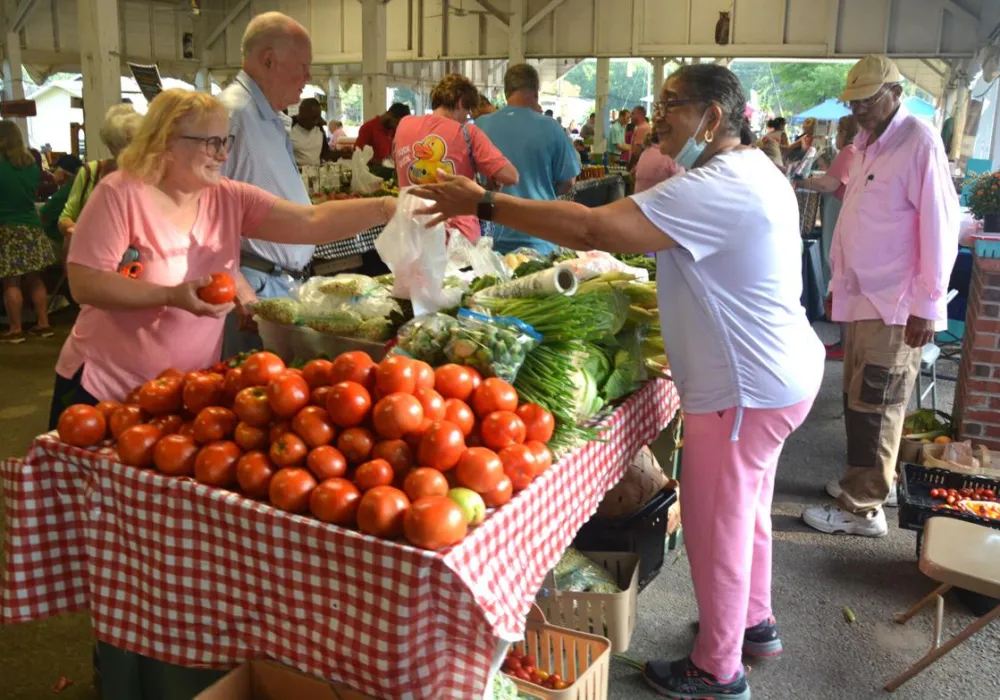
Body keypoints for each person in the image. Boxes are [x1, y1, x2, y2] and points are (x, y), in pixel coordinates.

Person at [412, 63, 823, 700]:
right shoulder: (752, 170)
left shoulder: (717, 186)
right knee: (748, 509)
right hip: (778, 377)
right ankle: (753, 620)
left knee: (718, 522)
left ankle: (717, 670)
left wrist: (485, 202)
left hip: (742, 392)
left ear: (713, 118)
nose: (657, 117)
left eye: (671, 105)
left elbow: (592, 227)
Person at [52, 89, 395, 421]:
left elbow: (310, 221)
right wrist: (170, 295)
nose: (223, 154)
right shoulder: (120, 193)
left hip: (187, 390)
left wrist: (386, 208)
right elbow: (86, 283)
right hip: (104, 388)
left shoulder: (227, 198)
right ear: (165, 142)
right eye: (211, 142)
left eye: (225, 141)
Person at [801, 55, 959, 538]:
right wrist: (838, 287)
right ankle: (868, 482)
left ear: (895, 91)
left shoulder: (919, 141)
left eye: (869, 98)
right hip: (864, 298)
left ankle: (862, 508)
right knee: (859, 399)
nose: (860, 108)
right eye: (855, 100)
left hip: (896, 302)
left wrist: (928, 306)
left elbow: (939, 227)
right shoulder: (868, 143)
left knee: (878, 405)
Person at [218, 11, 316, 355]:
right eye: (303, 65)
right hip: (252, 290)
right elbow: (196, 216)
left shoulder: (267, 118)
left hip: (278, 284)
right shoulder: (229, 116)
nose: (308, 76)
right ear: (269, 60)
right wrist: (236, 284)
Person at [392, 73, 517, 242]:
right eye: (467, 112)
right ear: (460, 103)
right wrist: (486, 186)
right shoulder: (467, 133)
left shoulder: (404, 125)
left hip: (409, 232)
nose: (467, 119)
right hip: (456, 238)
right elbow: (511, 176)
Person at [476, 63, 580, 254]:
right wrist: (542, 189)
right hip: (540, 237)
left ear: (507, 92)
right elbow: (568, 182)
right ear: (535, 92)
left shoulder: (480, 126)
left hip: (490, 239)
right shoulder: (552, 128)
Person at [796, 115, 859, 359]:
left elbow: (828, 184)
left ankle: (844, 342)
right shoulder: (856, 152)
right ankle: (843, 339)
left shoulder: (849, 151)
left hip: (839, 212)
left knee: (837, 270)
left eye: (840, 130)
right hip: (845, 212)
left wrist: (798, 181)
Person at [0, 120, 59, 343]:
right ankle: (43, 324)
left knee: (11, 282)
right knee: (35, 279)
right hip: (32, 226)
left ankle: (15, 329)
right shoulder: (30, 165)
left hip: (7, 227)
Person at [58, 104, 142, 239]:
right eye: (119, 144)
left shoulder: (148, 175)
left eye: (131, 143)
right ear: (110, 145)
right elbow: (65, 217)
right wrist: (76, 230)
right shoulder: (91, 171)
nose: (126, 150)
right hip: (93, 253)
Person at [39, 154, 83, 249]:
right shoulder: (79, 188)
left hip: (57, 241)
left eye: (55, 169)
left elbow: (43, 216)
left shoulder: (64, 193)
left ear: (62, 174)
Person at [291, 97, 335, 166]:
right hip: (296, 172)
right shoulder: (289, 127)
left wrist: (340, 153)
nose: (315, 122)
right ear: (302, 114)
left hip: (316, 171)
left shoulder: (319, 128)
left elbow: (326, 153)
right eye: (313, 118)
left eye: (318, 118)